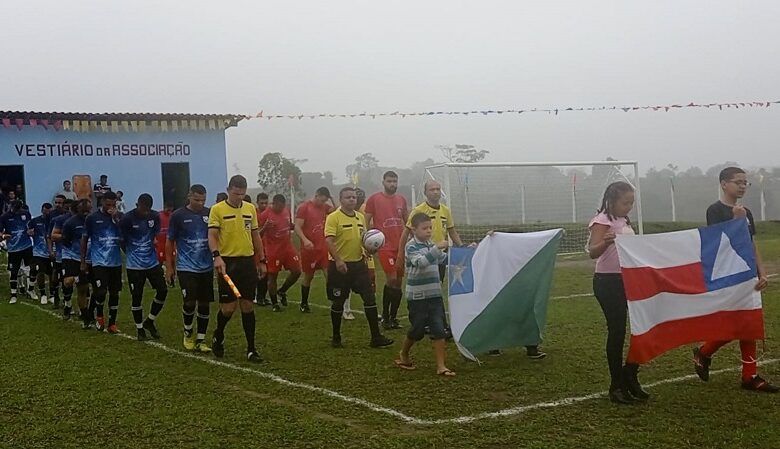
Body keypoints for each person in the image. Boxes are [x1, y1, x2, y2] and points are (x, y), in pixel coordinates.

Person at [692, 167, 778, 393]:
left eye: (745, 183)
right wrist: (736, 220)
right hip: (728, 274)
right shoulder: (716, 210)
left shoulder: (746, 212)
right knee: (735, 322)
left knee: (748, 321)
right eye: (737, 182)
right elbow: (720, 243)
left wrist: (762, 271)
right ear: (723, 184)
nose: (742, 186)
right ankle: (705, 351)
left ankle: (749, 375)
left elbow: (750, 244)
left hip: (748, 273)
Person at [588, 181, 648, 404]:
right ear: (612, 201)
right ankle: (616, 386)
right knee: (617, 332)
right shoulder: (602, 221)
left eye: (631, 202)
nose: (629, 206)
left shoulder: (624, 220)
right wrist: (605, 243)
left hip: (628, 280)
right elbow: (592, 252)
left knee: (642, 328)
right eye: (625, 202)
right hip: (608, 281)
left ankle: (630, 373)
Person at [324, 187, 393, 348]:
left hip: (358, 265)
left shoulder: (360, 217)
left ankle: (376, 337)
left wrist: (368, 250)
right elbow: (329, 241)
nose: (352, 200)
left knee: (369, 298)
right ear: (341, 199)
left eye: (354, 197)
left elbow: (364, 238)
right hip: (339, 267)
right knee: (338, 302)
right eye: (348, 197)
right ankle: (336, 337)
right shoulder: (333, 218)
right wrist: (339, 260)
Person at [208, 175, 267, 362]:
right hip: (228, 264)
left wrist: (262, 259)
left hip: (247, 263)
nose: (239, 197)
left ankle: (251, 349)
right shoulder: (217, 210)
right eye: (235, 193)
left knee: (248, 306)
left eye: (242, 194)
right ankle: (218, 334)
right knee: (228, 308)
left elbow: (255, 235)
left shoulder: (250, 209)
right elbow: (212, 235)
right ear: (228, 190)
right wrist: (217, 257)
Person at [399, 180, 467, 337]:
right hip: (423, 254)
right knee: (424, 288)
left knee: (435, 288)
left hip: (439, 256)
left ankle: (437, 324)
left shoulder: (445, 210)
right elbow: (406, 232)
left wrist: (462, 249)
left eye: (438, 189)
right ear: (425, 192)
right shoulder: (418, 210)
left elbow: (452, 231)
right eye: (432, 189)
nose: (435, 192)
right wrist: (400, 255)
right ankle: (434, 324)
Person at [394, 212, 454, 376]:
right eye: (424, 228)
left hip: (434, 296)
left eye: (430, 228)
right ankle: (404, 353)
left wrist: (465, 252)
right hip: (417, 298)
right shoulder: (411, 246)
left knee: (439, 330)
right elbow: (420, 263)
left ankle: (441, 366)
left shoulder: (430, 245)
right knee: (417, 330)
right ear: (414, 230)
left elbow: (445, 260)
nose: (428, 231)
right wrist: (436, 249)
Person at [166, 184, 213, 352]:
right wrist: (169, 266)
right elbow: (170, 241)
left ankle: (201, 339)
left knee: (205, 304)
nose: (200, 203)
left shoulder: (209, 213)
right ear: (189, 197)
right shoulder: (178, 215)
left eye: (203, 200)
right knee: (189, 302)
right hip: (186, 267)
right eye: (196, 199)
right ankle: (187, 333)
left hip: (206, 267)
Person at [118, 194, 168, 341]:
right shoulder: (127, 219)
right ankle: (139, 328)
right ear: (137, 204)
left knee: (162, 290)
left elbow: (155, 236)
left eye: (148, 209)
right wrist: (131, 254)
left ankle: (150, 321)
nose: (145, 212)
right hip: (135, 266)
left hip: (152, 263)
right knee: (137, 296)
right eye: (143, 208)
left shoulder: (154, 217)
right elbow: (122, 241)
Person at [364, 171, 409, 329]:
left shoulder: (401, 200)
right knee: (392, 278)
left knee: (398, 282)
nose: (393, 184)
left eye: (395, 181)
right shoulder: (374, 199)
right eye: (389, 181)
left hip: (400, 247)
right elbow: (366, 220)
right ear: (383, 182)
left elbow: (407, 222)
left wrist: (409, 240)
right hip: (385, 247)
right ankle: (385, 316)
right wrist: (367, 240)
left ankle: (393, 317)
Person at [82, 191, 123, 334]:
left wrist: (116, 218)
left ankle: (112, 323)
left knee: (114, 293)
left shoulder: (119, 216)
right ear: (102, 202)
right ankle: (99, 316)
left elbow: (124, 234)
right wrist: (83, 261)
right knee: (100, 291)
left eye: (113, 204)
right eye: (108, 204)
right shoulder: (92, 218)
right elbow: (85, 239)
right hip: (99, 261)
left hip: (115, 261)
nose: (110, 207)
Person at [53, 198, 94, 328]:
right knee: (68, 281)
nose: (87, 212)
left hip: (87, 258)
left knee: (83, 289)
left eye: (89, 209)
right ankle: (68, 304)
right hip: (71, 256)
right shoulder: (70, 223)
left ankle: (86, 317)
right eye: (84, 210)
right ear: (79, 209)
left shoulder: (93, 221)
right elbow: (65, 240)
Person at [258, 194, 302, 312]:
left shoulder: (286, 210)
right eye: (279, 207)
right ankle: (274, 304)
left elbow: (290, 225)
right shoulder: (265, 215)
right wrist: (265, 227)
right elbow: (257, 235)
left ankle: (282, 291)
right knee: (273, 276)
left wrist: (299, 227)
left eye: (283, 207)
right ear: (274, 203)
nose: (281, 209)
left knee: (297, 271)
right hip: (273, 250)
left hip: (287, 247)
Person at [294, 187, 334, 313]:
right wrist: (305, 240)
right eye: (322, 200)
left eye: (325, 201)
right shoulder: (304, 207)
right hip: (309, 250)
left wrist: (332, 199)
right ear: (316, 195)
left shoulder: (325, 207)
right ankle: (304, 303)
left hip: (323, 248)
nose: (323, 203)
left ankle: (333, 302)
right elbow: (297, 227)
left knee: (330, 275)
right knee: (308, 277)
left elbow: (338, 210)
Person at [1, 199, 34, 303]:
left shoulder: (26, 214)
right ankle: (13, 294)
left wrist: (31, 232)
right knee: (14, 271)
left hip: (27, 246)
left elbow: (30, 227)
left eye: (17, 209)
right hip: (13, 248)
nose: (15, 211)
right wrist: (3, 235)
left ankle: (31, 290)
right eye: (14, 208)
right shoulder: (4, 217)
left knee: (31, 268)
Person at [49, 199, 74, 316]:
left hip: (73, 255)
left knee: (69, 279)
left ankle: (67, 302)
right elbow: (50, 236)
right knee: (56, 277)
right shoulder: (57, 220)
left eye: (71, 207)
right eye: (67, 207)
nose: (69, 209)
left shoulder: (80, 220)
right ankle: (55, 295)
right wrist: (51, 250)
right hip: (60, 254)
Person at [28, 203, 54, 305]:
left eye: (49, 210)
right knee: (40, 271)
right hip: (38, 251)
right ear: (42, 210)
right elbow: (29, 230)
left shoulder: (53, 221)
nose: (47, 212)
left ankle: (52, 294)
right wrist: (29, 232)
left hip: (51, 251)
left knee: (52, 274)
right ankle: (43, 294)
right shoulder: (35, 221)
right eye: (45, 210)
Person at [254, 192, 270, 306]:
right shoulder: (254, 213)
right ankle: (258, 297)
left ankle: (262, 297)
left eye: (266, 203)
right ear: (257, 202)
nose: (264, 205)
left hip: (268, 247)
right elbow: (256, 234)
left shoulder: (269, 213)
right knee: (259, 272)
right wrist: (265, 227)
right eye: (261, 203)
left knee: (267, 273)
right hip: (256, 248)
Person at [157, 202, 175, 286]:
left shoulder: (173, 216)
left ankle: (172, 280)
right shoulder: (158, 216)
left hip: (171, 242)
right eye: (167, 208)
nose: (168, 210)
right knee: (160, 261)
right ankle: (160, 279)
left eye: (170, 208)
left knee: (172, 260)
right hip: (160, 242)